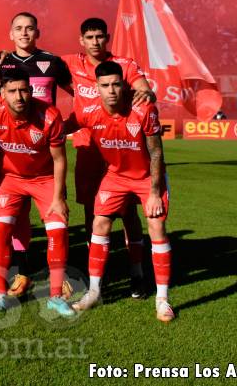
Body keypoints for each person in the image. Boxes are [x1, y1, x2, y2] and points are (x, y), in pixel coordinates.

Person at [70, 61, 174, 322]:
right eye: (105, 86)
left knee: (156, 226)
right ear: (97, 88)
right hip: (115, 176)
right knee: (100, 223)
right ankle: (94, 291)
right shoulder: (90, 111)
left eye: (116, 84)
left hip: (147, 178)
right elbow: (62, 126)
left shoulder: (143, 109)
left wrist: (153, 192)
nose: (112, 90)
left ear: (124, 85)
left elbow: (156, 151)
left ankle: (162, 299)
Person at [62, 17, 156, 298]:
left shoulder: (123, 66)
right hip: (88, 149)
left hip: (121, 151)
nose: (95, 42)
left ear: (108, 37)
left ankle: (136, 271)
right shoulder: (70, 63)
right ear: (81, 40)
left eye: (100, 36)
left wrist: (145, 92)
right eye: (89, 37)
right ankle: (99, 276)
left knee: (129, 213)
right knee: (93, 212)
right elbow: (33, 60)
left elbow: (142, 88)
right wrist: (4, 57)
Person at [0, 68, 74, 318]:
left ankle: (55, 296)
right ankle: (1, 293)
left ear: (31, 91)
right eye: (12, 91)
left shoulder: (49, 116)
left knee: (58, 231)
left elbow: (59, 160)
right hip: (10, 179)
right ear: (2, 93)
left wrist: (58, 197)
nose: (19, 96)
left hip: (44, 180)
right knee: (0, 232)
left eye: (23, 90)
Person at [0, 12, 72, 297]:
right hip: (13, 155)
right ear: (10, 33)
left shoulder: (52, 61)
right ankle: (22, 273)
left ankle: (59, 279)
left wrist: (69, 125)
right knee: (16, 223)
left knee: (56, 219)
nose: (24, 33)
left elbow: (79, 93)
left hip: (44, 147)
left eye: (29, 29)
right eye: (18, 29)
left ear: (38, 32)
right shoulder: (0, 62)